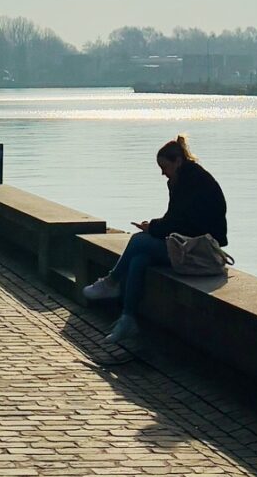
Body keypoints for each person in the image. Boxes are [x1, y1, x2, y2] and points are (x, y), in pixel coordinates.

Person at [83, 134, 227, 356]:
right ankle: (128, 319)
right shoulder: (180, 180)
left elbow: (186, 223)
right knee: (139, 259)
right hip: (186, 243)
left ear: (177, 161)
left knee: (138, 241)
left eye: (164, 167)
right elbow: (175, 219)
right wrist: (155, 226)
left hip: (200, 250)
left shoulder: (195, 181)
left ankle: (111, 282)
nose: (162, 173)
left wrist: (153, 228)